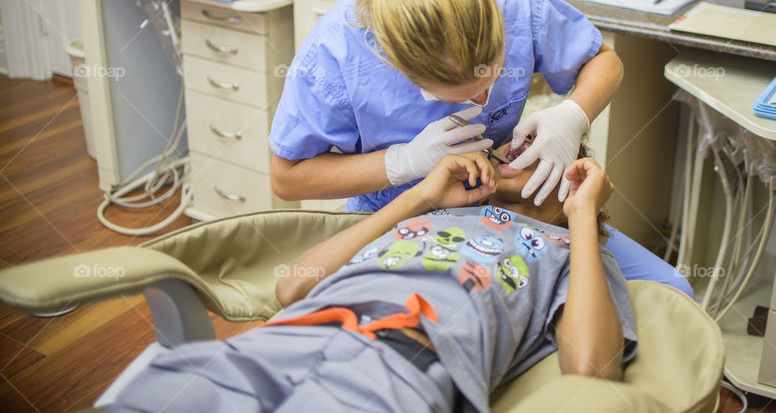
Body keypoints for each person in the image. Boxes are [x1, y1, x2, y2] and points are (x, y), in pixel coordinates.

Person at [267, 0, 691, 296]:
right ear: (402, 70)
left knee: (672, 290)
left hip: (503, 224)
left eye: (492, 79)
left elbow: (604, 60)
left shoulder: (513, 2)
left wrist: (573, 115)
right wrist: (404, 165)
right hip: (393, 215)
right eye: (462, 94)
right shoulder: (336, 53)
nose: (486, 104)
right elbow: (287, 179)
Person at [107, 151, 638, 413]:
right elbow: (293, 288)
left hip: (393, 368)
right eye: (511, 142)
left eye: (536, 145)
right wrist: (420, 199)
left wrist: (582, 217)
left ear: (572, 170)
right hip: (290, 335)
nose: (514, 148)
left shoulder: (574, 252)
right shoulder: (434, 213)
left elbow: (591, 366)